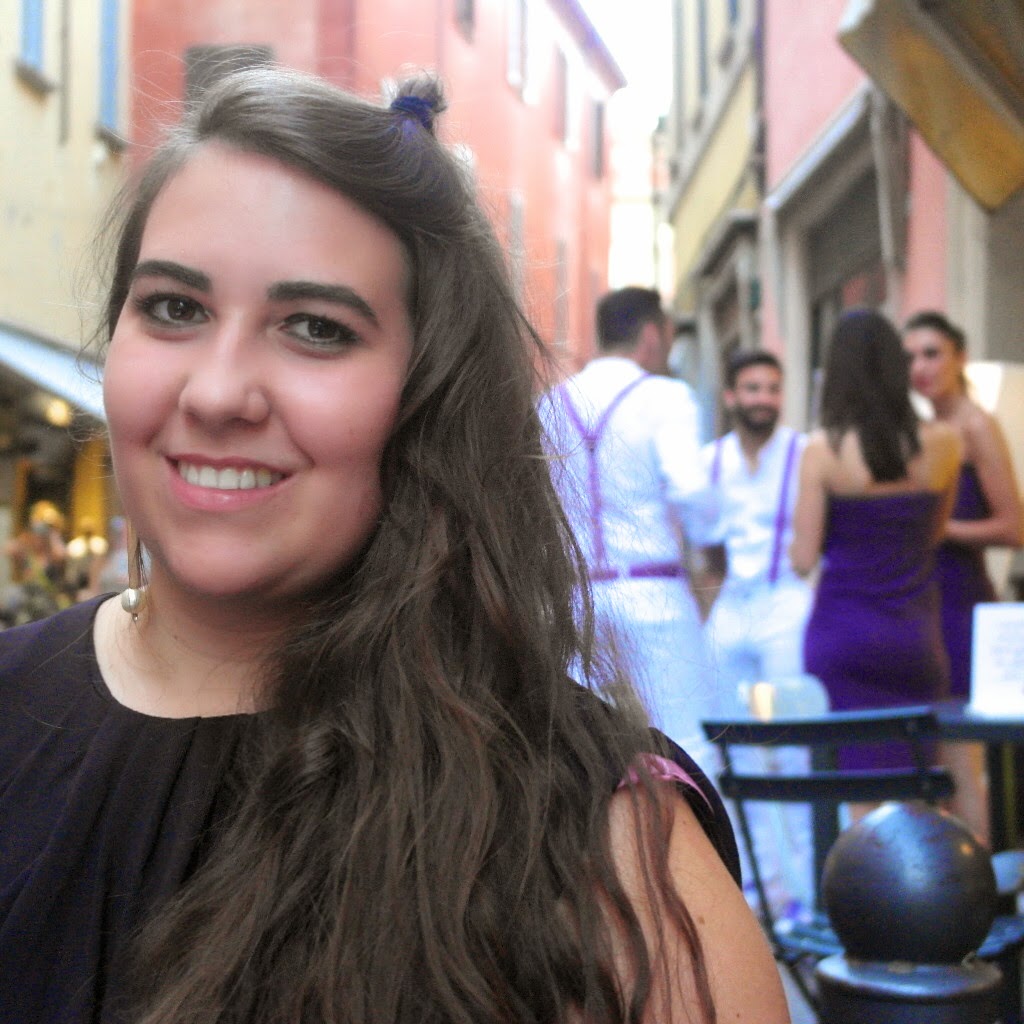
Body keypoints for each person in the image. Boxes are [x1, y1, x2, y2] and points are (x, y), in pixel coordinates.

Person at [0, 70, 786, 1024]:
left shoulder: (594, 839)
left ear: (431, 399)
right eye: (174, 308)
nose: (216, 392)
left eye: (315, 328)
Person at [538, 287, 719, 770]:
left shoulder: (551, 403)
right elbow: (692, 492)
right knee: (688, 744)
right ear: (652, 335)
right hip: (653, 593)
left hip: (575, 600)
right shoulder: (667, 397)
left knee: (582, 753)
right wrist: (710, 547)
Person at [791, 309, 961, 776]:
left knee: (854, 784)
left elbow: (803, 558)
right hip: (915, 634)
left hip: (843, 633)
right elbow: (935, 534)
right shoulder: (945, 443)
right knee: (916, 782)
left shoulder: (822, 450)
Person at [698, 350, 815, 915]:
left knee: (793, 748)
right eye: (752, 388)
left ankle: (805, 892)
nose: (764, 398)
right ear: (731, 396)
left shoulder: (804, 453)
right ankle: (754, 887)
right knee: (732, 749)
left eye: (772, 388)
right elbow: (703, 548)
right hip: (732, 608)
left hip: (787, 604)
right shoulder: (710, 460)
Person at [903, 310, 1024, 841]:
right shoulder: (922, 431)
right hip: (922, 604)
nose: (921, 367)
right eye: (910, 356)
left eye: (932, 353)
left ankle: (984, 879)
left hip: (961, 603)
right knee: (935, 762)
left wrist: (939, 528)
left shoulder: (976, 425)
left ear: (960, 357)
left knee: (961, 759)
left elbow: (1014, 526)